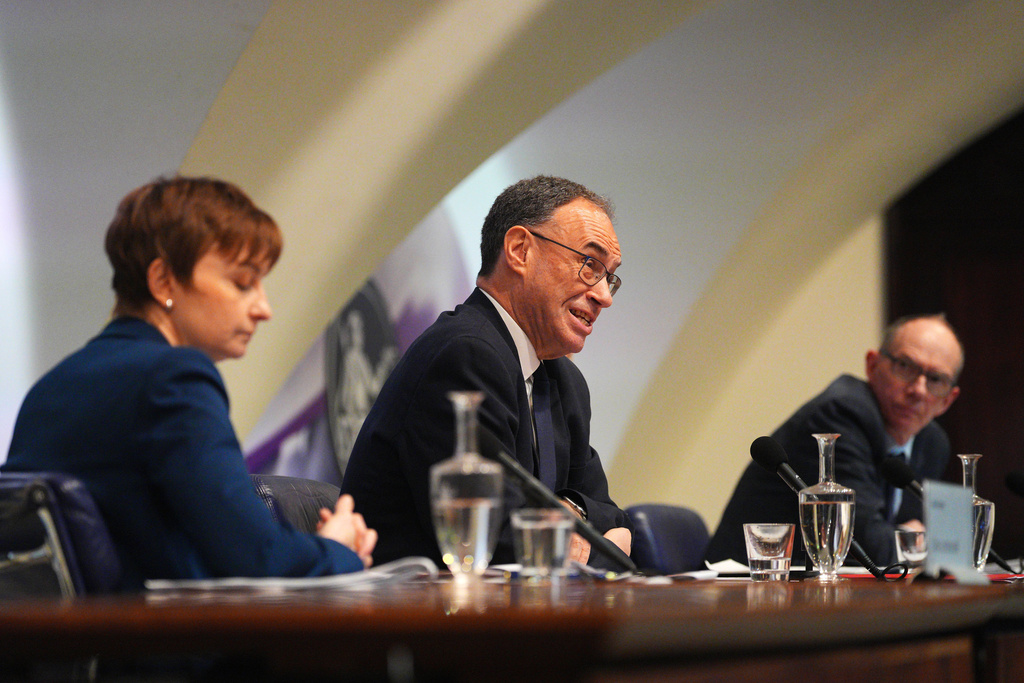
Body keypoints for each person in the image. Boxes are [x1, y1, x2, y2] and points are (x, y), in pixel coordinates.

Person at [4, 176, 377, 591]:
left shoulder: (49, 389)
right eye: (242, 283)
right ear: (164, 282)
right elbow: (257, 559)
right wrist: (340, 549)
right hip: (161, 649)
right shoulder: (174, 379)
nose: (264, 309)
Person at [341, 175, 632, 569]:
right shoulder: (463, 355)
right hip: (417, 619)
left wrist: (575, 514)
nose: (604, 296)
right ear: (519, 250)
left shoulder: (564, 381)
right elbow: (491, 539)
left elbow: (612, 520)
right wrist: (575, 540)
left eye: (609, 275)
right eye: (589, 265)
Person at [704, 314, 963, 567]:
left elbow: (924, 547)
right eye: (905, 366)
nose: (918, 389)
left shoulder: (932, 444)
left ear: (947, 400)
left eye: (935, 379)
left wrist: (909, 539)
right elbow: (867, 548)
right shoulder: (840, 415)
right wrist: (914, 539)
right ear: (872, 365)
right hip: (751, 586)